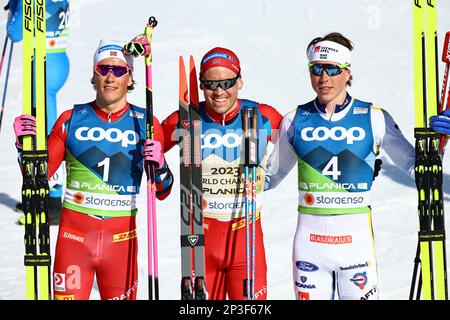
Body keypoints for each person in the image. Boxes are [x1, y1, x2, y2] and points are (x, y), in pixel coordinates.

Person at [13, 40, 173, 300]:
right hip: (73, 242)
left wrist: (162, 166)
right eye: (103, 69)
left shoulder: (146, 123)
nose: (111, 77)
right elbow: (37, 178)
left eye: (119, 71)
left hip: (121, 245)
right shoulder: (70, 120)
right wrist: (24, 146)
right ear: (94, 74)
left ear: (130, 77)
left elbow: (163, 191)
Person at [265, 32, 416, 300]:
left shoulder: (373, 118)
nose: (324, 78)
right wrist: (237, 165)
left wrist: (439, 143)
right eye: (317, 69)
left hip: (355, 246)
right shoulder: (295, 120)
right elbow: (269, 178)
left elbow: (416, 167)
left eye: (333, 69)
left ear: (347, 72)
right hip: (309, 246)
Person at [162, 47, 283, 300]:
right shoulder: (185, 120)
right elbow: (148, 153)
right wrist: (156, 160)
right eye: (210, 84)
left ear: (240, 81)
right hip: (199, 243)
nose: (219, 91)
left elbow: (301, 144)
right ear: (201, 85)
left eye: (227, 82)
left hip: (247, 243)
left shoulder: (262, 117)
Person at [6, 0, 71, 225]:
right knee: (42, 130)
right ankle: (41, 195)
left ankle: (52, 202)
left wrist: (16, 6)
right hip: (58, 60)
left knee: (44, 135)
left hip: (43, 66)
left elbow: (14, 33)